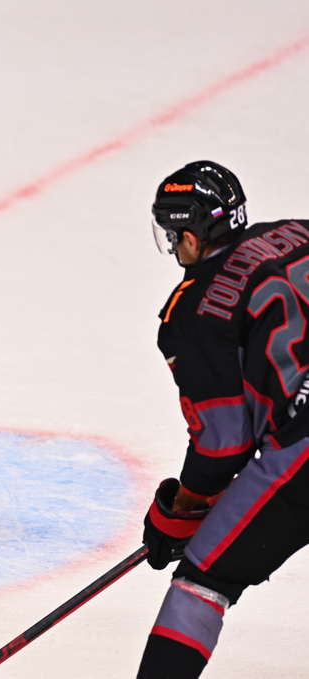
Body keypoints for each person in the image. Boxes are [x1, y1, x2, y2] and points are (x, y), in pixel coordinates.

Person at [138, 160, 309, 677]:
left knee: (202, 581)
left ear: (190, 237)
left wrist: (181, 511)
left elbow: (223, 446)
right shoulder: (297, 232)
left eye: (173, 237)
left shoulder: (191, 312)